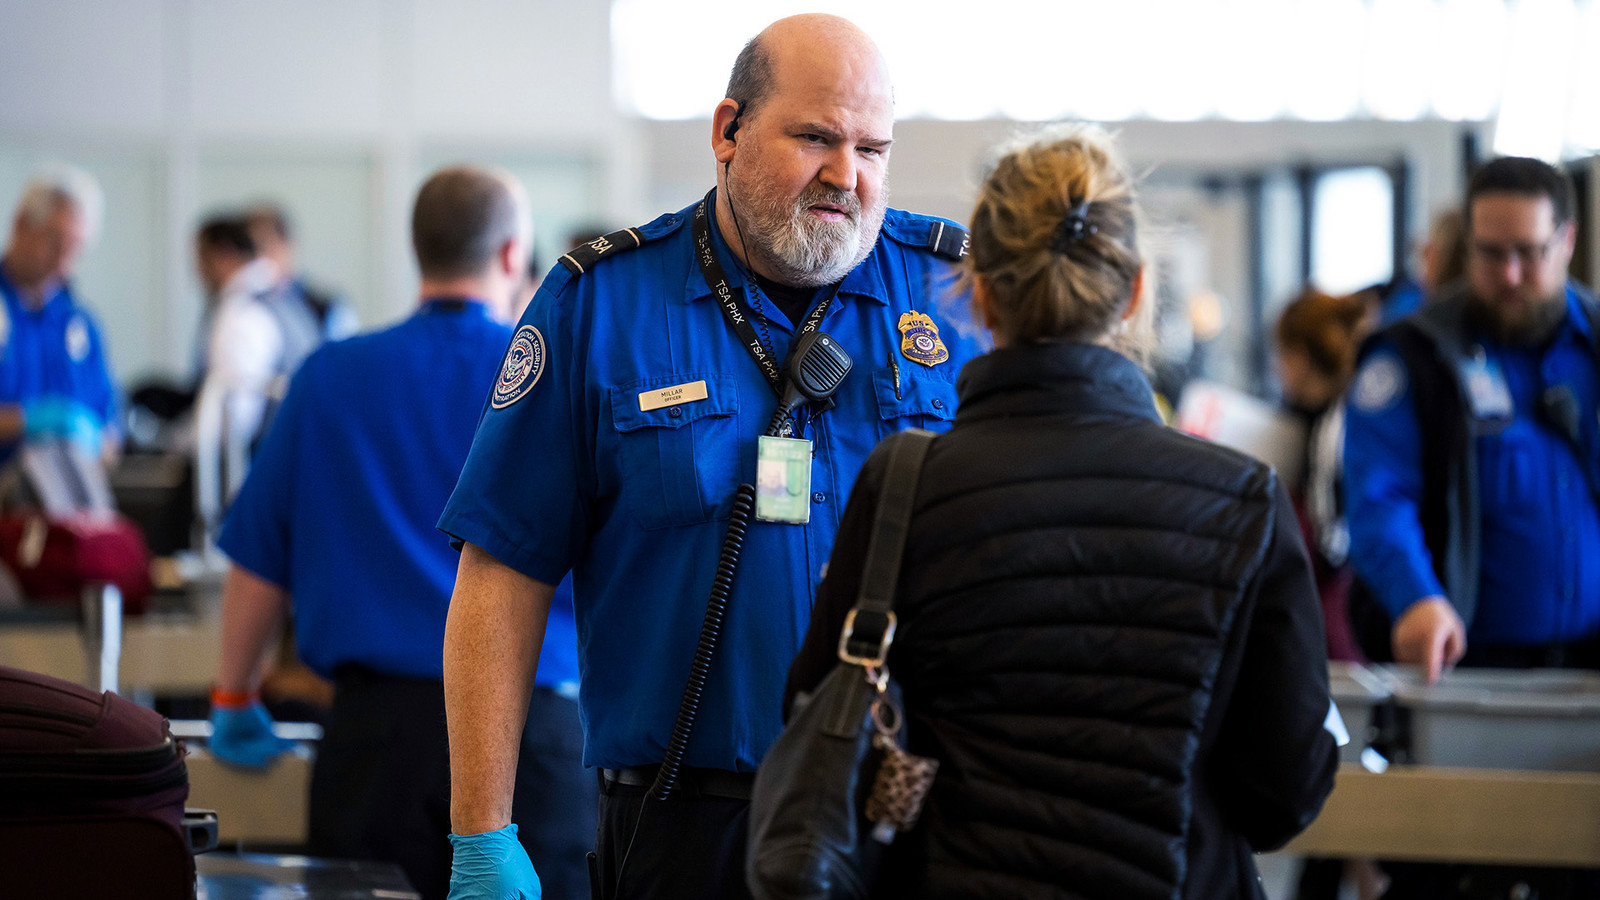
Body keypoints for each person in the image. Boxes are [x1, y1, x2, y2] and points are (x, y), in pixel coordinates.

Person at [438, 14, 983, 900]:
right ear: (728, 131)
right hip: (685, 828)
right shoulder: (601, 305)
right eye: (815, 138)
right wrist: (482, 832)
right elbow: (502, 574)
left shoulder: (957, 296)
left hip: (905, 821)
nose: (848, 176)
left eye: (873, 149)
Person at [785, 124, 1337, 900]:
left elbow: (816, 712)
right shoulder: (1243, 501)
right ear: (1138, 289)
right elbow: (1285, 788)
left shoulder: (903, 489)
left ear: (976, 288)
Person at [207, 166, 592, 900]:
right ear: (513, 255)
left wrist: (232, 696)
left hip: (373, 744)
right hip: (532, 742)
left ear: (418, 250)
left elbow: (258, 558)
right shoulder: (556, 376)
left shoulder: (327, 377)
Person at [1346, 156, 1600, 682]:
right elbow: (1379, 500)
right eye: (1490, 254)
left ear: (1567, 240)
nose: (1509, 274)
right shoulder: (1412, 357)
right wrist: (1414, 597)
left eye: (1528, 253)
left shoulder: (1595, 346)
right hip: (1467, 668)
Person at [1276, 288, 1374, 663]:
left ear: (1299, 357)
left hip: (1333, 611)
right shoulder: (1332, 419)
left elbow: (1329, 539)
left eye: (1281, 355)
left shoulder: (1332, 431)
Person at [0, 165, 120, 464]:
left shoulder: (80, 324)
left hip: (67, 499)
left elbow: (110, 435)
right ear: (21, 224)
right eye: (55, 243)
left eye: (74, 250)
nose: (63, 265)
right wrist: (26, 421)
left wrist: (96, 441)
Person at [244, 203, 360, 343]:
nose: (259, 258)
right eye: (251, 250)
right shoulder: (241, 306)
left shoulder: (327, 307)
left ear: (287, 245)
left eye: (265, 247)